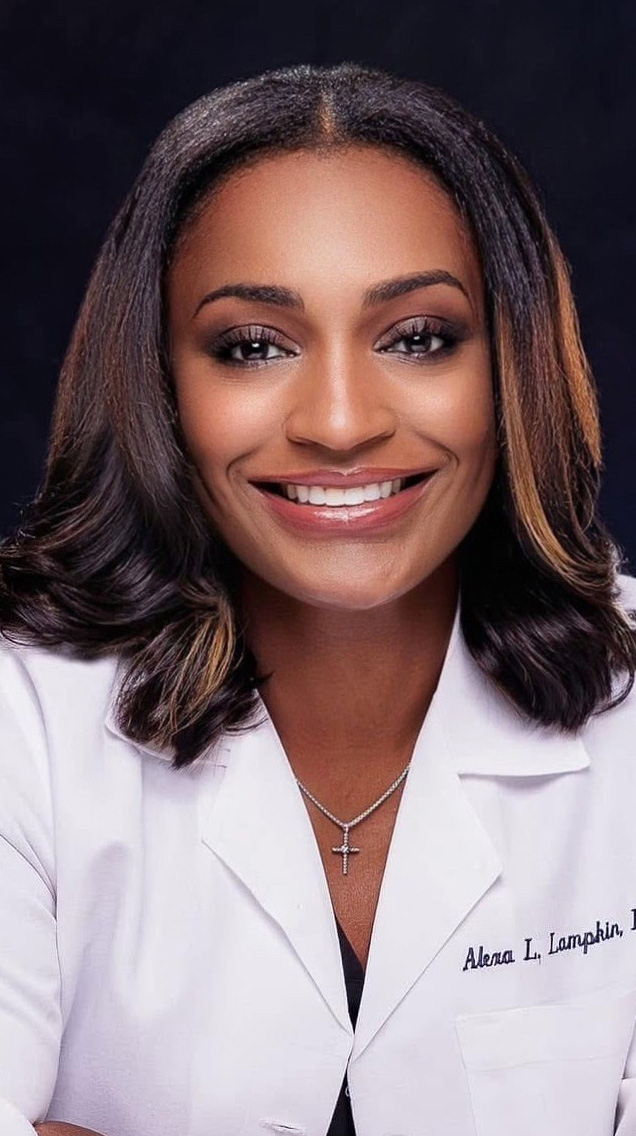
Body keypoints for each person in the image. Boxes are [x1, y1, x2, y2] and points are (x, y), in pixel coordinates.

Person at [0, 59, 635, 1136]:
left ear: (510, 362)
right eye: (253, 346)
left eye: (418, 337)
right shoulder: (24, 715)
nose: (339, 421)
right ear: (160, 383)